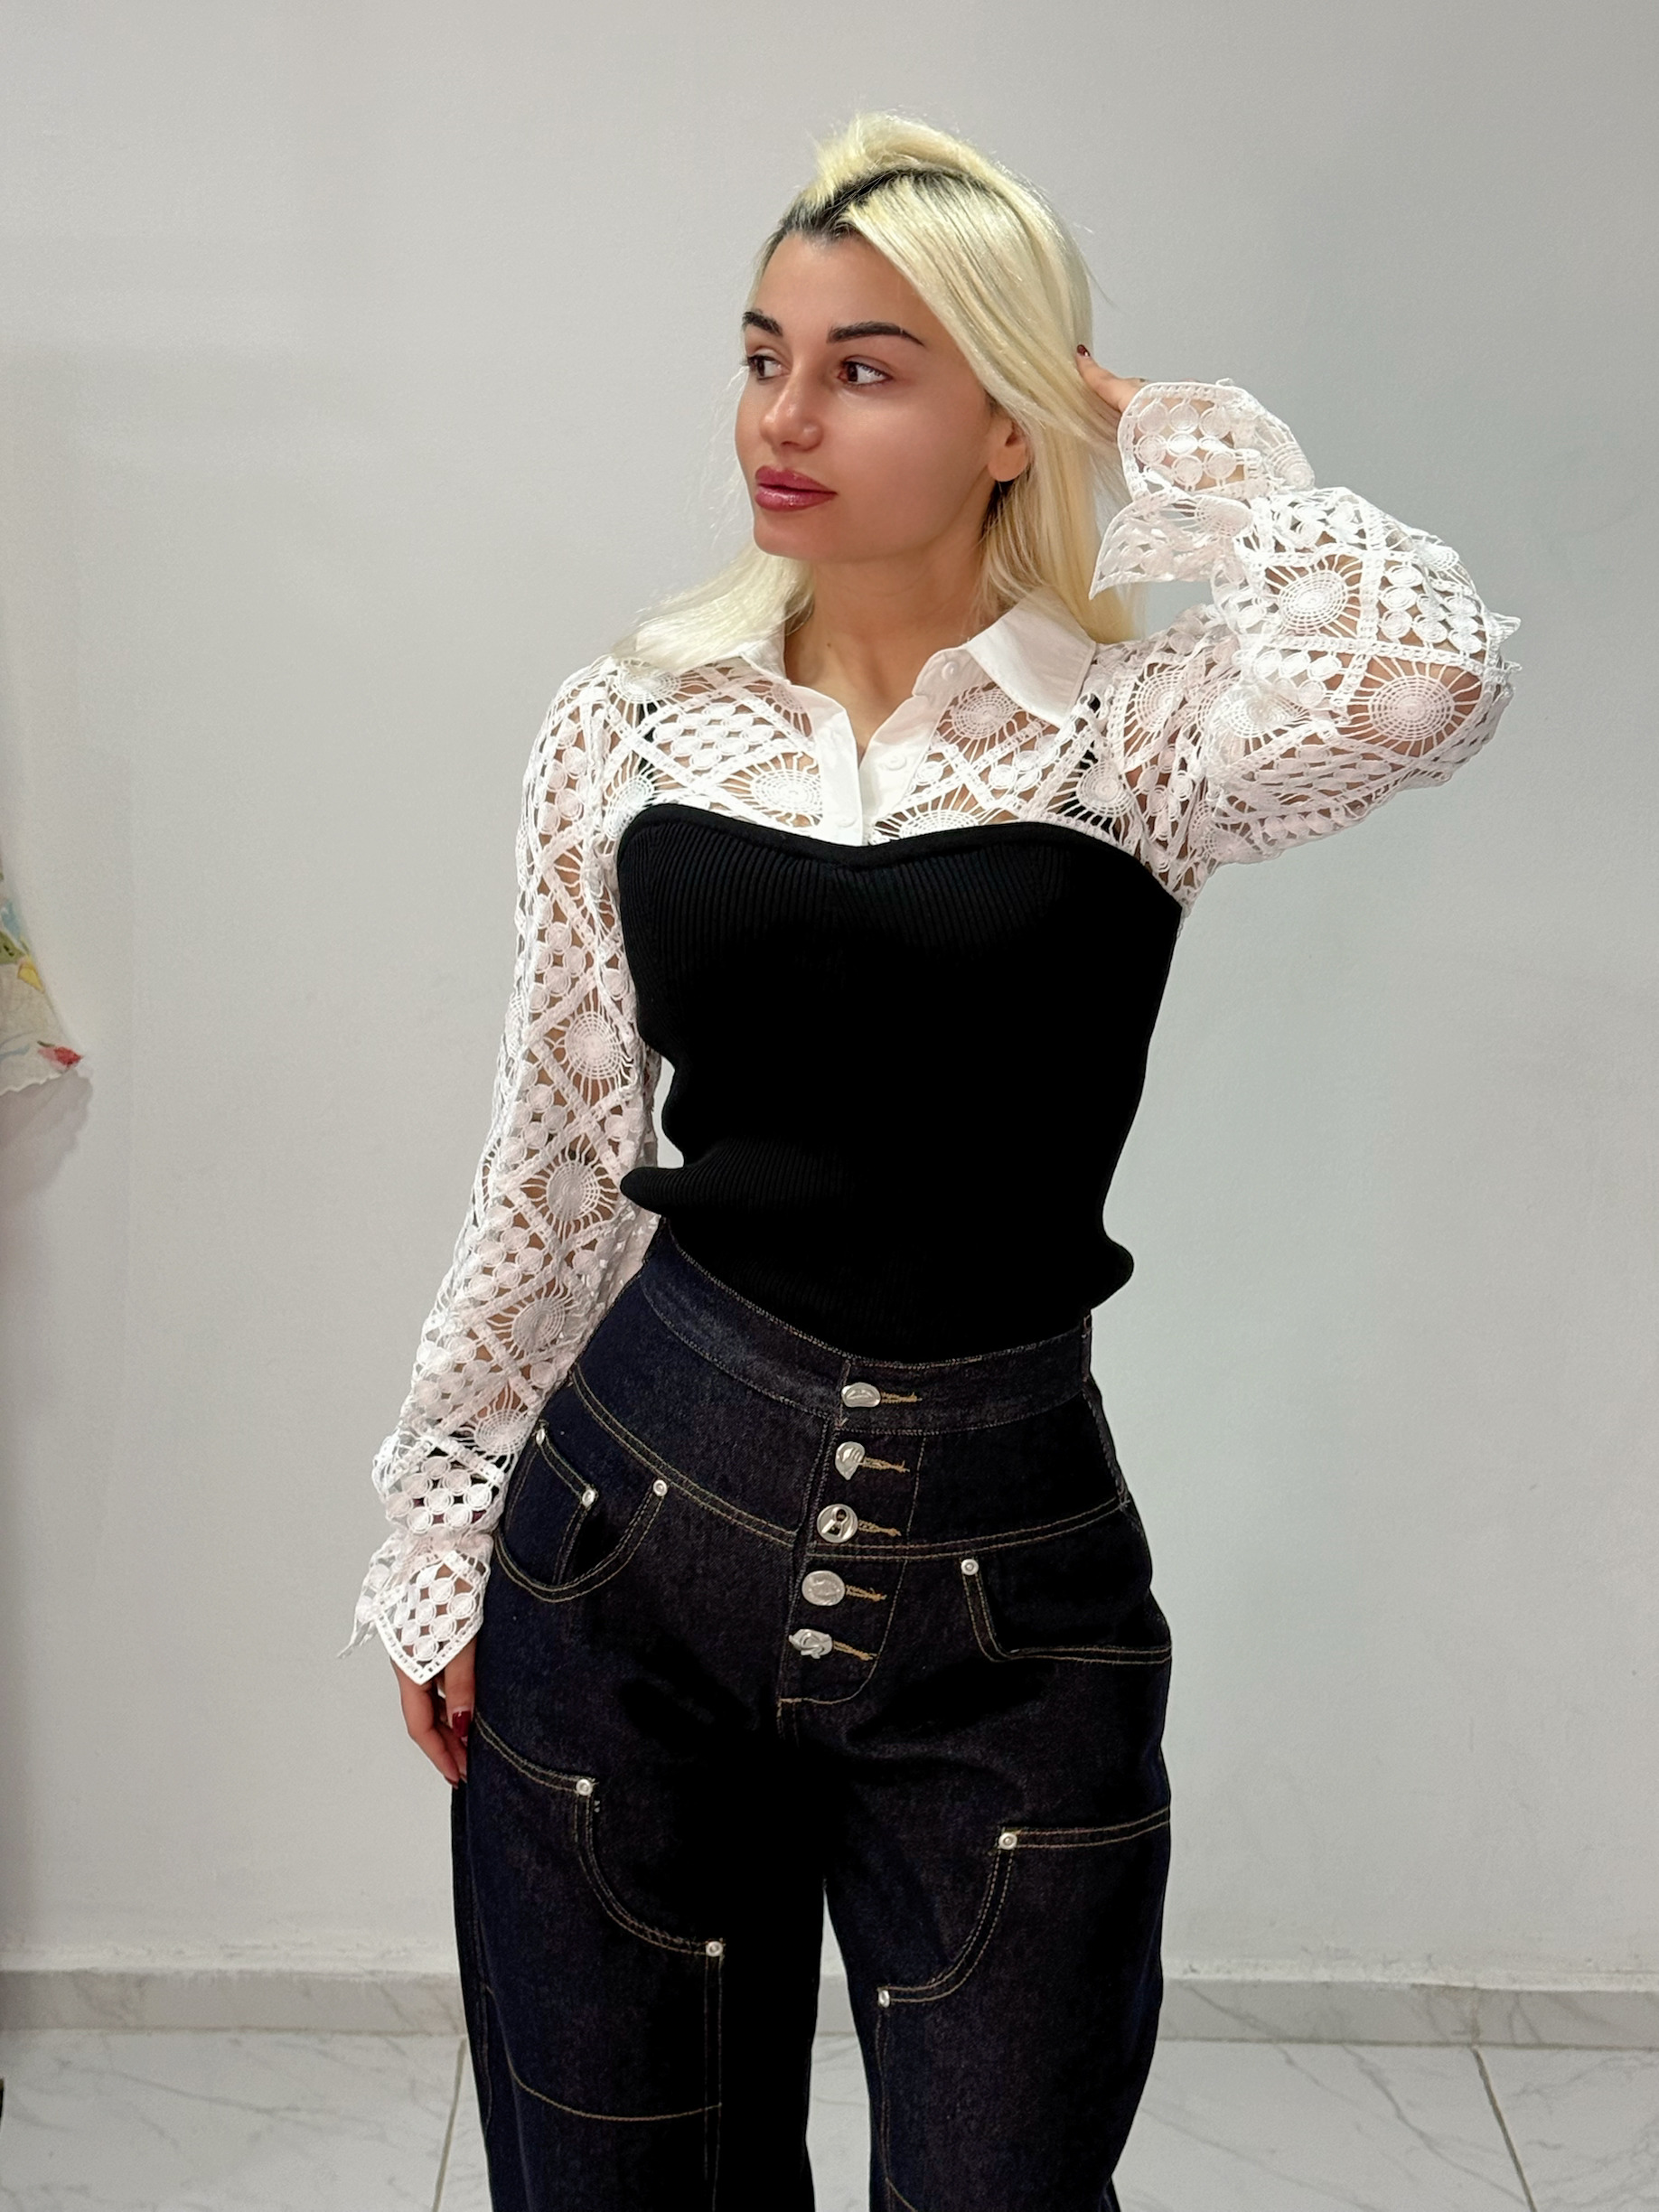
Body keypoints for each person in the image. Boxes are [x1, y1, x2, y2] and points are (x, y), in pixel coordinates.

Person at [346, 111, 1516, 2212]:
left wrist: (1175, 436)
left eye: (866, 367)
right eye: (762, 356)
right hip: (624, 1542)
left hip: (1008, 1585)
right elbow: (558, 1145)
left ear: (1004, 424)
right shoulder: (632, 725)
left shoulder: (1136, 735)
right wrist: (444, 1517)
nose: (782, 418)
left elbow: (1427, 683)